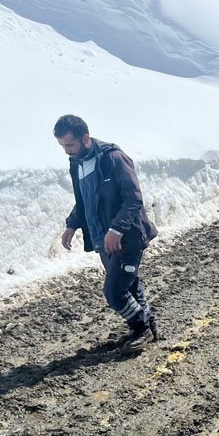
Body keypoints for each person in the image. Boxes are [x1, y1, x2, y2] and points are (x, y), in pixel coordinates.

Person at [54, 115, 159, 350]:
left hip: (128, 237)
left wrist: (116, 229)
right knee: (129, 286)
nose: (66, 151)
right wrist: (72, 224)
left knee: (114, 292)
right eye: (62, 146)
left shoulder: (112, 158)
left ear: (86, 139)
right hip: (104, 240)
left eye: (69, 145)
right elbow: (84, 199)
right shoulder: (77, 162)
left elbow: (133, 199)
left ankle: (141, 329)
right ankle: (147, 328)